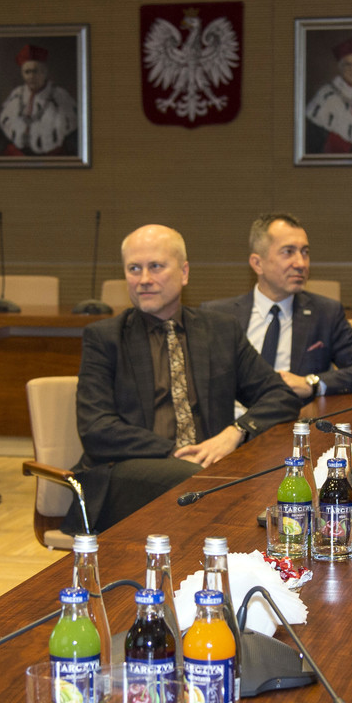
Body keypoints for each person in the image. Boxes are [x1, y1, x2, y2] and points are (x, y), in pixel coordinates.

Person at [68, 224, 299, 534]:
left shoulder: (220, 330)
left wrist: (236, 432)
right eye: (134, 269)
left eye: (156, 266)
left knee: (275, 472)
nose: (144, 279)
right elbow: (96, 429)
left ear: (184, 272)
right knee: (199, 481)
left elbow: (280, 395)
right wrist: (177, 451)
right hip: (127, 471)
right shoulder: (105, 338)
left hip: (210, 468)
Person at [201, 213, 352, 402]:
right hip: (231, 418)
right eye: (288, 252)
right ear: (258, 264)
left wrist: (312, 383)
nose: (301, 263)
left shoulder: (324, 314)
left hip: (293, 417)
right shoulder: (217, 316)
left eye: (305, 252)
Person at [0, 44, 78, 157]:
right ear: (22, 74)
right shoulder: (16, 95)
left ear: (44, 72)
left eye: (35, 71)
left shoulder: (60, 96)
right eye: (27, 72)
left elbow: (75, 140)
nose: (31, 76)